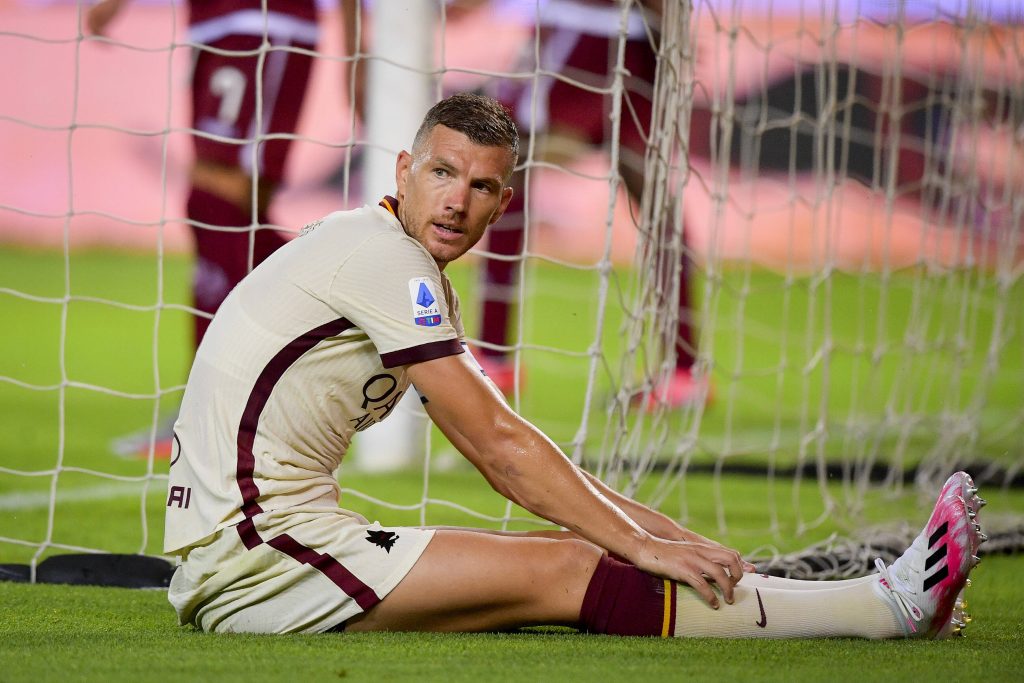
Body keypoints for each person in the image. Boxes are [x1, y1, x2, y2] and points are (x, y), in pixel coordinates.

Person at [162, 92, 984, 637]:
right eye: (442, 173)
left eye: (481, 186)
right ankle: (886, 607)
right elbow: (500, 449)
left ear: (504, 202)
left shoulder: (401, 266)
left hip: (267, 543)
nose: (457, 200)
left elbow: (509, 442)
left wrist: (661, 534)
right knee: (570, 565)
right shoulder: (383, 259)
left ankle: (884, 595)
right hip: (260, 558)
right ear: (405, 172)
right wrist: (641, 544)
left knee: (580, 553)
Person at [85, 0, 365, 457]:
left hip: (261, 20)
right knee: (226, 207)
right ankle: (352, 315)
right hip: (214, 21)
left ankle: (210, 407)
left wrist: (357, 46)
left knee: (217, 197)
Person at [476, 0, 707, 407]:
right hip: (641, 39)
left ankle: (493, 356)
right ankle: (684, 370)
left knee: (507, 160)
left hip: (587, 30)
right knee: (650, 189)